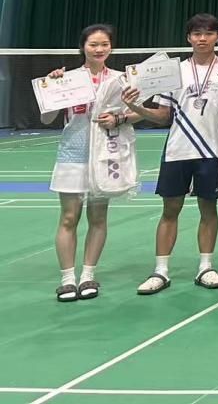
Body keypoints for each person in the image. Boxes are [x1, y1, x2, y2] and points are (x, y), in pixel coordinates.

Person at [125, 14, 218, 294]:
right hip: (178, 149)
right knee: (170, 210)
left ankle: (206, 267)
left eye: (208, 33)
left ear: (217, 37)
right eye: (197, 34)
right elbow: (162, 115)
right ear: (188, 38)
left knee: (208, 209)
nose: (202, 39)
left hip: (213, 150)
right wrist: (137, 108)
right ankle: (160, 271)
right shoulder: (174, 71)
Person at [41, 23, 140, 302]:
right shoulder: (67, 78)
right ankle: (67, 279)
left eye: (104, 44)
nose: (99, 49)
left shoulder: (121, 79)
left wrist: (119, 118)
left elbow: (139, 112)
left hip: (105, 155)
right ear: (83, 47)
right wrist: (52, 87)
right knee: (69, 217)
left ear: (111, 47)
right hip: (72, 154)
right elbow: (47, 119)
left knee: (98, 218)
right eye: (93, 44)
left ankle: (88, 275)